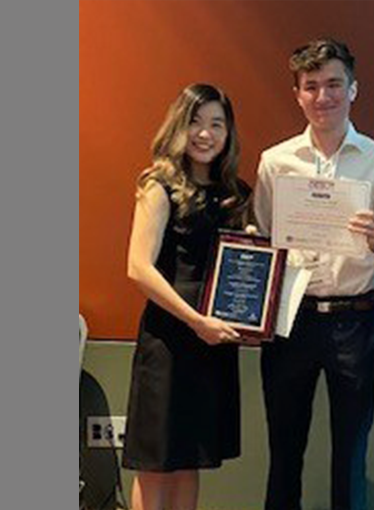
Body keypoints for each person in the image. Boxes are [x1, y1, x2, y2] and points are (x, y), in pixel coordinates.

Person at [252, 39, 374, 510]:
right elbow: (261, 240)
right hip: (290, 321)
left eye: (334, 84)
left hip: (354, 321)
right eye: (312, 86)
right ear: (298, 93)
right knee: (283, 452)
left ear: (354, 89)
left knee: (350, 454)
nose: (324, 97)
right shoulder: (275, 162)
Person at [122, 83, 251, 510]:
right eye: (196, 122)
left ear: (228, 133)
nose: (205, 133)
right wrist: (197, 321)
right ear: (179, 125)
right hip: (169, 340)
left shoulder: (236, 194)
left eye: (217, 124)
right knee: (157, 461)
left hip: (211, 345)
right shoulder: (159, 184)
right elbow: (138, 267)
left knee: (190, 459)